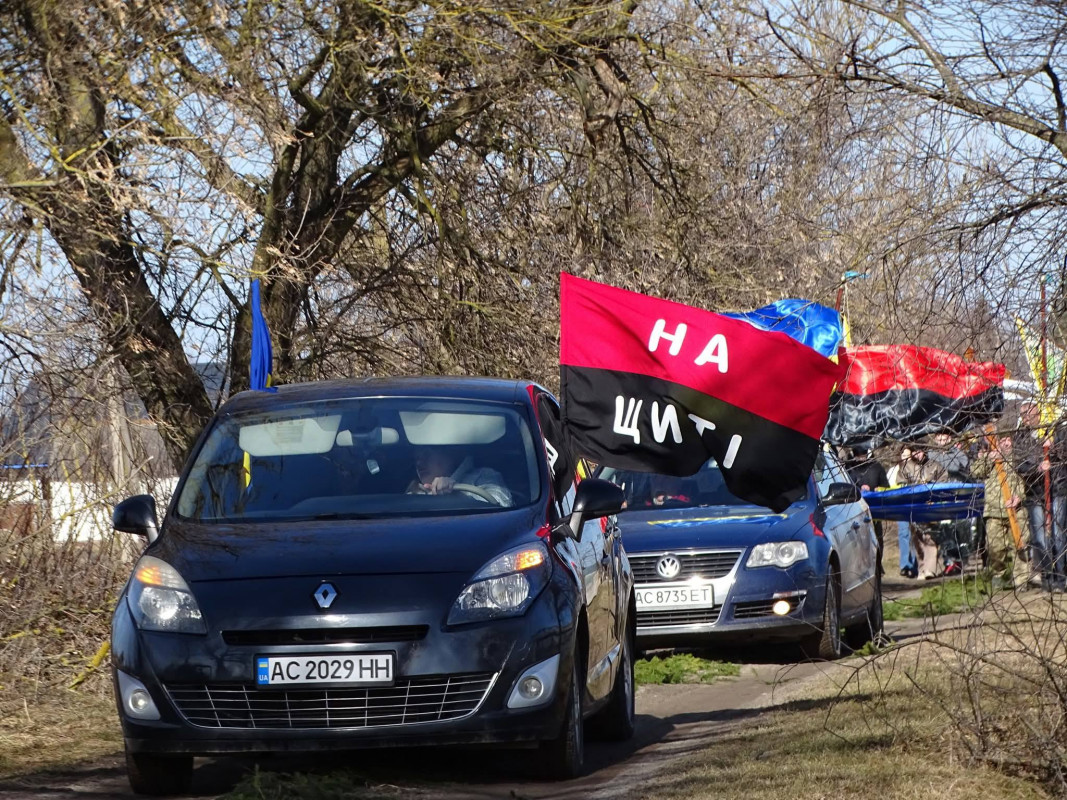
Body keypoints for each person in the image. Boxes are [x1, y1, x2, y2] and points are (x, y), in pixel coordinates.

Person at [1012, 402, 1067, 592]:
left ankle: (1060, 578)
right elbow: (1019, 465)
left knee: (1059, 535)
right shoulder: (1020, 436)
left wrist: (1054, 447)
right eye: (1023, 414)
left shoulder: (1056, 430)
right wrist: (1037, 470)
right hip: (1035, 493)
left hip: (1058, 488)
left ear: (1038, 413)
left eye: (1030, 413)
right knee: (1040, 538)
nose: (1027, 417)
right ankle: (1047, 578)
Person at [971, 426, 1028, 587]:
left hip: (1017, 509)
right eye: (1003, 440)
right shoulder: (990, 458)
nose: (1007, 443)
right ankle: (999, 572)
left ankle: (1022, 580)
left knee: (1020, 545)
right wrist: (988, 458)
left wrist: (1019, 497)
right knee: (995, 547)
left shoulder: (1020, 458)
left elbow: (1028, 479)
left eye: (1009, 439)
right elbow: (975, 471)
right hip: (994, 510)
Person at [898, 443, 950, 579]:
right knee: (917, 539)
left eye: (920, 451)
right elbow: (900, 485)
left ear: (925, 452)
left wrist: (933, 487)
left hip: (931, 506)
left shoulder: (935, 465)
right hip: (913, 506)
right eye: (914, 452)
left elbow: (945, 481)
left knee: (931, 538)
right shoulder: (905, 467)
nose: (917, 455)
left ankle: (930, 569)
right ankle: (922, 568)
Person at [928, 431, 975, 576]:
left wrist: (946, 458)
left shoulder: (958, 453)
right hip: (940, 496)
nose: (942, 439)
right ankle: (948, 561)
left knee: (961, 528)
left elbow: (959, 467)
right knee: (944, 529)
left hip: (958, 495)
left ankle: (962, 560)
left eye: (945, 436)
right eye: (939, 436)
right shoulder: (931, 454)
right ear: (935, 438)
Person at [408, 446, 513, 506]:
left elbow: (502, 505)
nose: (419, 463)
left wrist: (455, 493)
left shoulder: (483, 476)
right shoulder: (413, 492)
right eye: (416, 458)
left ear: (450, 454)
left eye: (427, 455)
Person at [844, 445, 889, 574]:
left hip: (874, 508)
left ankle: (877, 563)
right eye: (858, 455)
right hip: (855, 508)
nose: (861, 458)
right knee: (858, 538)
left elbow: (885, 486)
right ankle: (860, 565)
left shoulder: (877, 467)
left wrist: (878, 489)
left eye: (863, 455)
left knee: (877, 535)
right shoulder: (849, 468)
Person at [888, 446, 919, 579]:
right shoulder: (893, 471)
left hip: (915, 505)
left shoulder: (917, 468)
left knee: (915, 535)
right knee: (903, 534)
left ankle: (915, 565)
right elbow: (888, 487)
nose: (906, 458)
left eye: (908, 455)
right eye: (904, 455)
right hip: (901, 506)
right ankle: (905, 564)